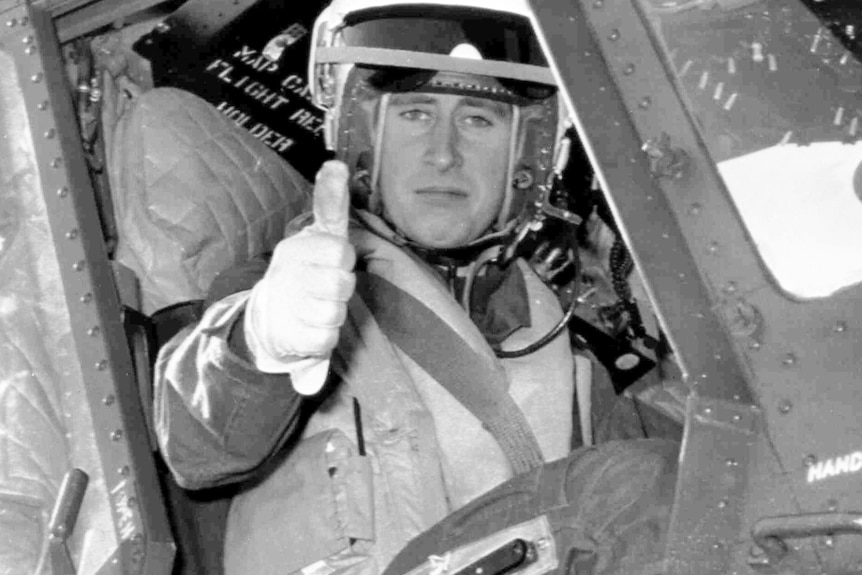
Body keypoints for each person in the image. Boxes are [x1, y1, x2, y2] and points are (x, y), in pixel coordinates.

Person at [153, 1, 679, 574]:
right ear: (362, 135)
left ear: (532, 153)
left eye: (479, 119)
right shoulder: (296, 289)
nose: (443, 153)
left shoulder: (557, 342)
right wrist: (261, 341)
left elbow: (697, 465)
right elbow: (196, 443)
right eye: (414, 113)